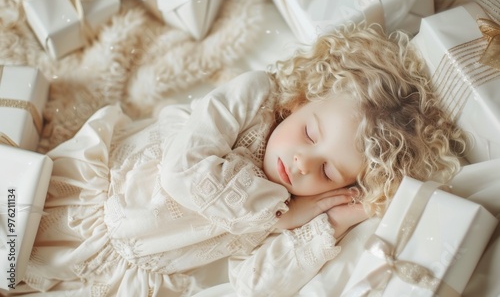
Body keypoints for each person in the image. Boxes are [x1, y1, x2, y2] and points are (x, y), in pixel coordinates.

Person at [18, 23, 465, 296]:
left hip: (117, 271)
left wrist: (331, 224)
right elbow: (182, 174)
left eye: (328, 171)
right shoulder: (254, 98)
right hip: (91, 199)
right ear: (300, 99)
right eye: (310, 133)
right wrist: (278, 215)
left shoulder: (296, 203)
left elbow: (254, 285)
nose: (304, 163)